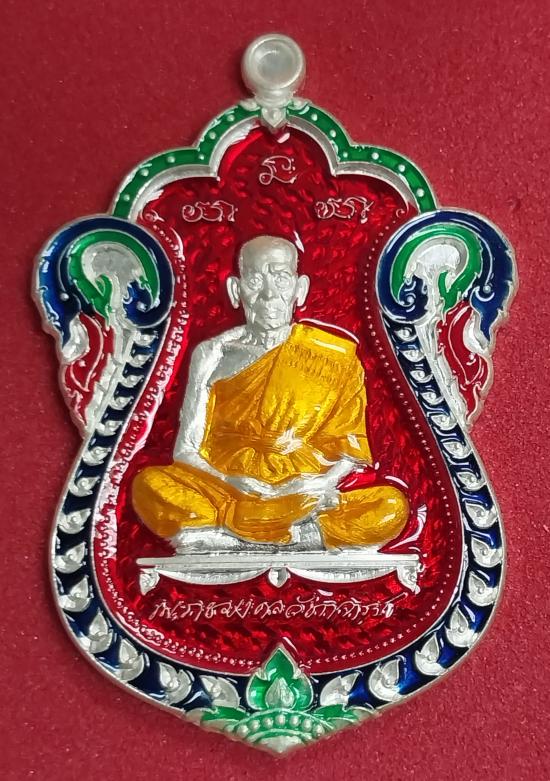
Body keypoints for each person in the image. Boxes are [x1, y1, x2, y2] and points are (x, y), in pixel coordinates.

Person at [132, 235, 408, 551]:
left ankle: (232, 535)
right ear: (235, 289)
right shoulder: (212, 354)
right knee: (148, 485)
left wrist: (322, 483)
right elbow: (186, 450)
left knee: (390, 506)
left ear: (299, 288)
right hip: (229, 488)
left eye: (280, 278)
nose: (268, 293)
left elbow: (349, 449)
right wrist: (229, 481)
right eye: (254, 280)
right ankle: (290, 534)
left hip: (302, 488)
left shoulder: (334, 356)